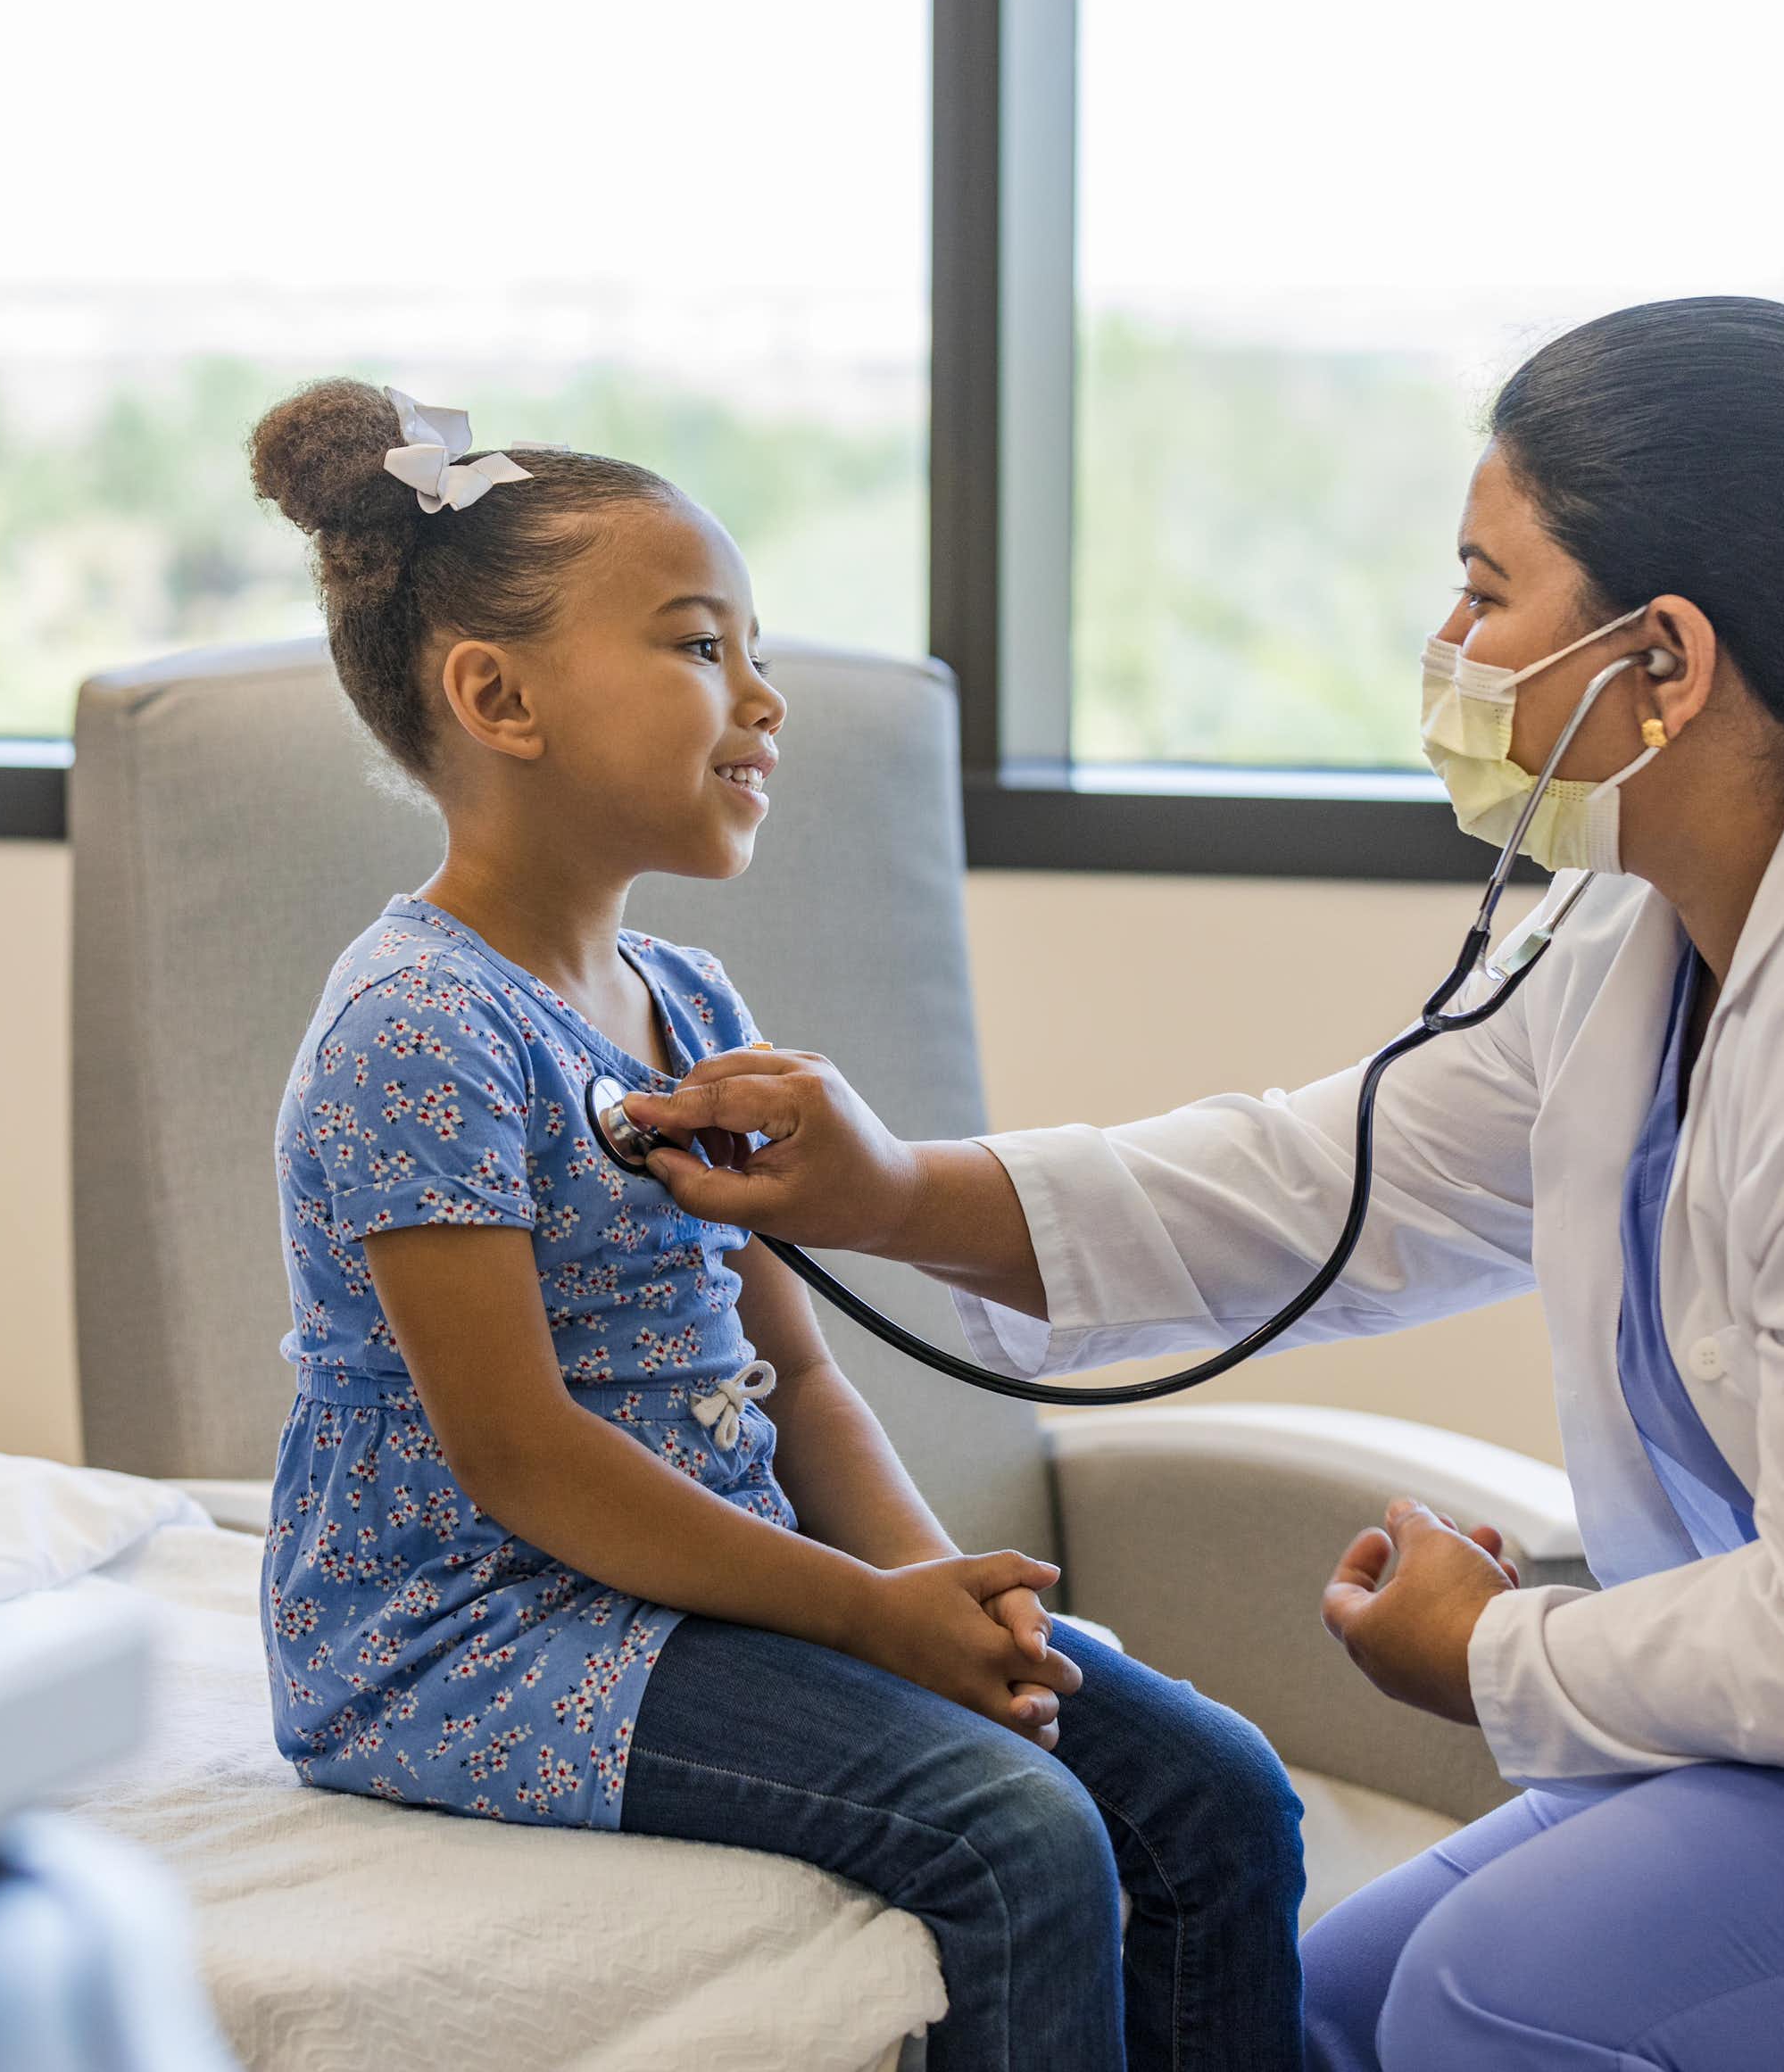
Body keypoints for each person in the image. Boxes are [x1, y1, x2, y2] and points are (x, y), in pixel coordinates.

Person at [627, 295, 1784, 2067]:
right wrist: (883, 1191)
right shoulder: (1629, 942)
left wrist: (1496, 1647)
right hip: (1749, 1727)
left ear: (1663, 664)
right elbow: (1319, 1183)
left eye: (1485, 591)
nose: (1445, 643)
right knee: (1321, 2006)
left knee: (1484, 2000)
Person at [245, 379, 1307, 2071]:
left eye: (755, 648)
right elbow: (520, 1458)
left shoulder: (686, 997)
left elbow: (795, 1382)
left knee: (1211, 1790)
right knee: (1012, 1833)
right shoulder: (414, 1029)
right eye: (695, 648)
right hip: (471, 1630)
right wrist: (857, 1617)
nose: (764, 699)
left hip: (702, 1588)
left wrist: (929, 1593)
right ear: (495, 696)